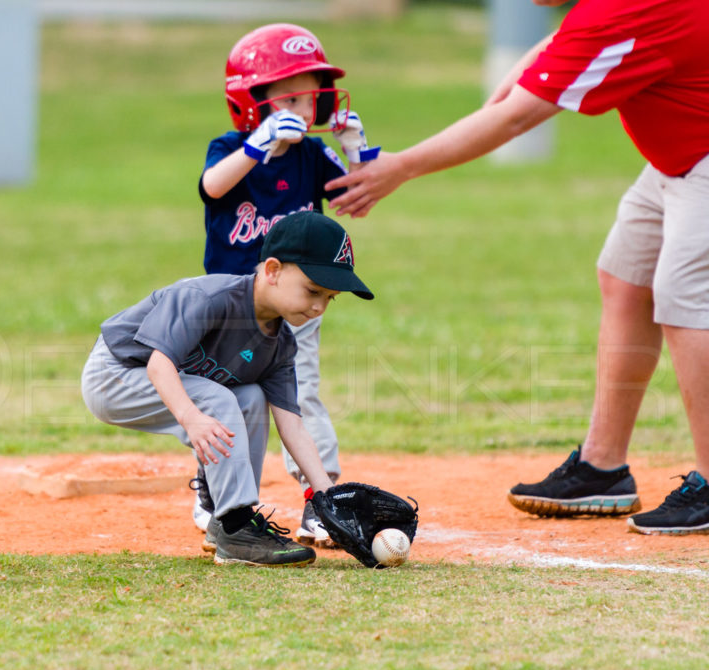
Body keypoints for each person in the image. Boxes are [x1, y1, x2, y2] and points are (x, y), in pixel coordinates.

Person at [324, 0, 709, 534]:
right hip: (681, 159)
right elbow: (551, 53)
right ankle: (603, 468)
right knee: (626, 277)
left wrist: (401, 168)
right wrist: (509, 92)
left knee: (683, 299)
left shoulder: (622, 11)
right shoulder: (599, 12)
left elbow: (516, 118)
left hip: (701, 161)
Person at [81, 211, 375, 566]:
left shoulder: (281, 346)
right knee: (217, 397)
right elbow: (159, 364)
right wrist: (190, 417)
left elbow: (292, 425)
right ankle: (238, 530)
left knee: (250, 397)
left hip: (166, 382)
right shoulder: (210, 298)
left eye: (330, 297)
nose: (319, 306)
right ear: (272, 271)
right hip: (114, 373)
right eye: (313, 290)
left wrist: (327, 497)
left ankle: (228, 521)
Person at [192, 23, 380, 547]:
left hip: (298, 305)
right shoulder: (231, 148)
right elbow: (213, 186)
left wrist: (357, 149)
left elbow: (356, 199)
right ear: (252, 102)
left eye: (311, 95)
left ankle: (323, 501)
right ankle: (216, 494)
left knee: (302, 397)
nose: (305, 106)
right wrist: (256, 148)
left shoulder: (310, 156)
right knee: (224, 398)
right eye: (290, 96)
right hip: (230, 308)